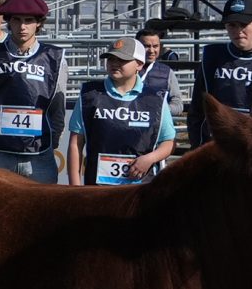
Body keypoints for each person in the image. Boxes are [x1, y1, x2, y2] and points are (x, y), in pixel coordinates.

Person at [0, 0, 64, 181]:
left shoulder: (55, 57)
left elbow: (58, 105)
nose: (22, 26)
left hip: (39, 154)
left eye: (29, 20)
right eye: (17, 20)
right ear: (8, 21)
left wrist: (52, 140)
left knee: (42, 208)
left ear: (39, 22)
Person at [66, 38, 175, 185]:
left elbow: (168, 142)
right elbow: (76, 143)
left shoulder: (156, 99)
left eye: (122, 59)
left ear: (139, 64)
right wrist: (75, 188)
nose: (114, 63)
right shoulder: (89, 95)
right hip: (97, 190)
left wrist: (150, 158)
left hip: (140, 190)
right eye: (111, 59)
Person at [190, 0, 252, 144]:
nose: (238, 30)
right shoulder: (213, 56)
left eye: (244, 24)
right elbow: (197, 107)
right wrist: (197, 145)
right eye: (232, 25)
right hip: (218, 142)